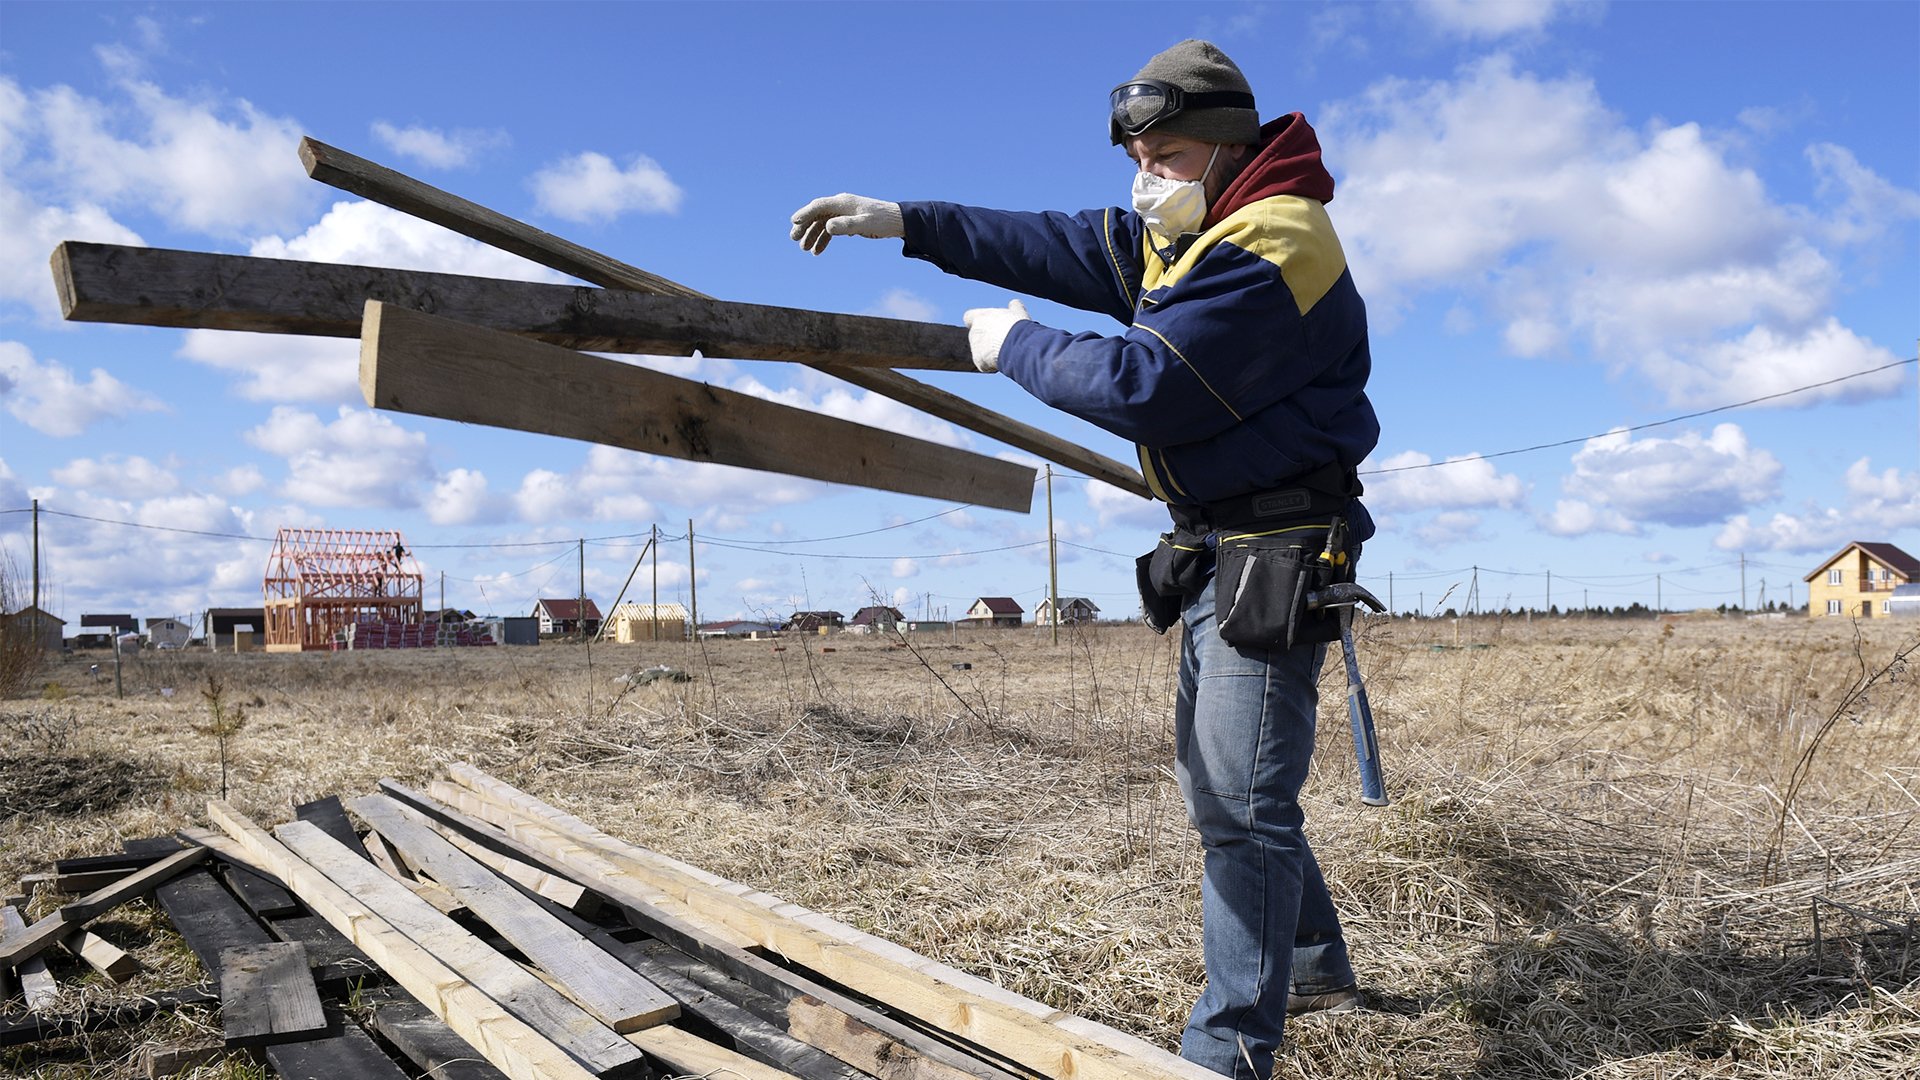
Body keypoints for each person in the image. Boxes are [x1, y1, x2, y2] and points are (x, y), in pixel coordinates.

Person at [790, 39, 1378, 1080]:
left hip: (1274, 550)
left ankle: (1226, 1053)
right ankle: (1312, 960)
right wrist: (907, 222)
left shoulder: (1277, 241)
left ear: (1231, 148)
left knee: (1242, 809)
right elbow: (1051, 243)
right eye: (1138, 157)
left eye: (1168, 155)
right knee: (1227, 790)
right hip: (1215, 551)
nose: (1146, 180)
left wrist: (1010, 345)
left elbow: (1149, 385)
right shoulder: (1186, 231)